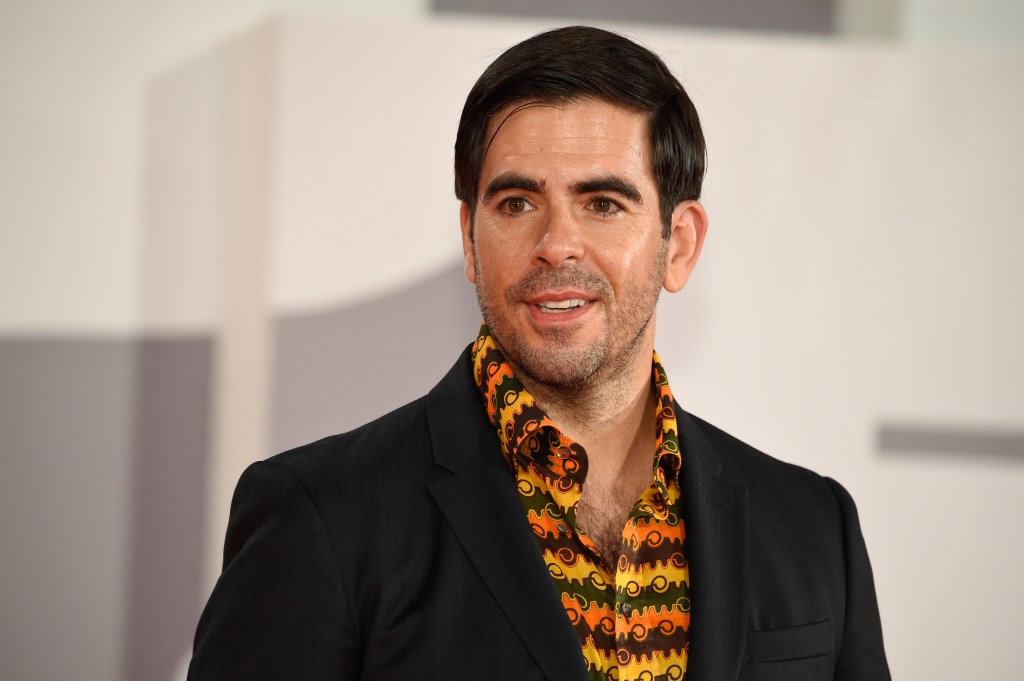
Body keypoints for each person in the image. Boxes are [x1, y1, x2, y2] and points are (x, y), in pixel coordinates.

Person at [187, 26, 890, 681]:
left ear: (679, 244)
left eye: (603, 203)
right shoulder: (322, 518)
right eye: (518, 203)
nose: (556, 243)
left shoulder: (812, 526)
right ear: (469, 238)